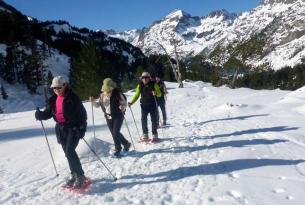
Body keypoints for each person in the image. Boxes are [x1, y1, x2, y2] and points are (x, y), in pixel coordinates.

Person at [35, 76, 87, 188]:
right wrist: (40, 115)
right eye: (54, 88)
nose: (57, 90)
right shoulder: (54, 99)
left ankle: (80, 176)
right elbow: (49, 113)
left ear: (65, 85)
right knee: (67, 153)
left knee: (69, 151)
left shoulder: (73, 98)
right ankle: (74, 174)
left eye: (59, 87)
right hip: (60, 129)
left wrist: (82, 128)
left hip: (73, 128)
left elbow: (82, 114)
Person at [90, 78, 131, 157]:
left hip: (118, 116)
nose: (108, 91)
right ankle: (118, 148)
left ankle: (126, 144)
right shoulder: (102, 96)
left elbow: (124, 103)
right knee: (113, 133)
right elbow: (97, 105)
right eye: (106, 90)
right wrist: (93, 101)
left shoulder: (117, 94)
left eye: (109, 90)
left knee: (116, 132)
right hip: (108, 117)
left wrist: (122, 107)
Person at [128, 72, 161, 142]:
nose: (145, 79)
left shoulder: (154, 85)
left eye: (146, 77)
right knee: (143, 120)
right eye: (143, 78)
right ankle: (145, 135)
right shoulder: (139, 86)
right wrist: (131, 102)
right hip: (144, 105)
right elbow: (136, 95)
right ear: (141, 78)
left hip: (153, 105)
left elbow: (160, 94)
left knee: (154, 120)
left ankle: (155, 134)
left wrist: (156, 93)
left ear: (149, 78)